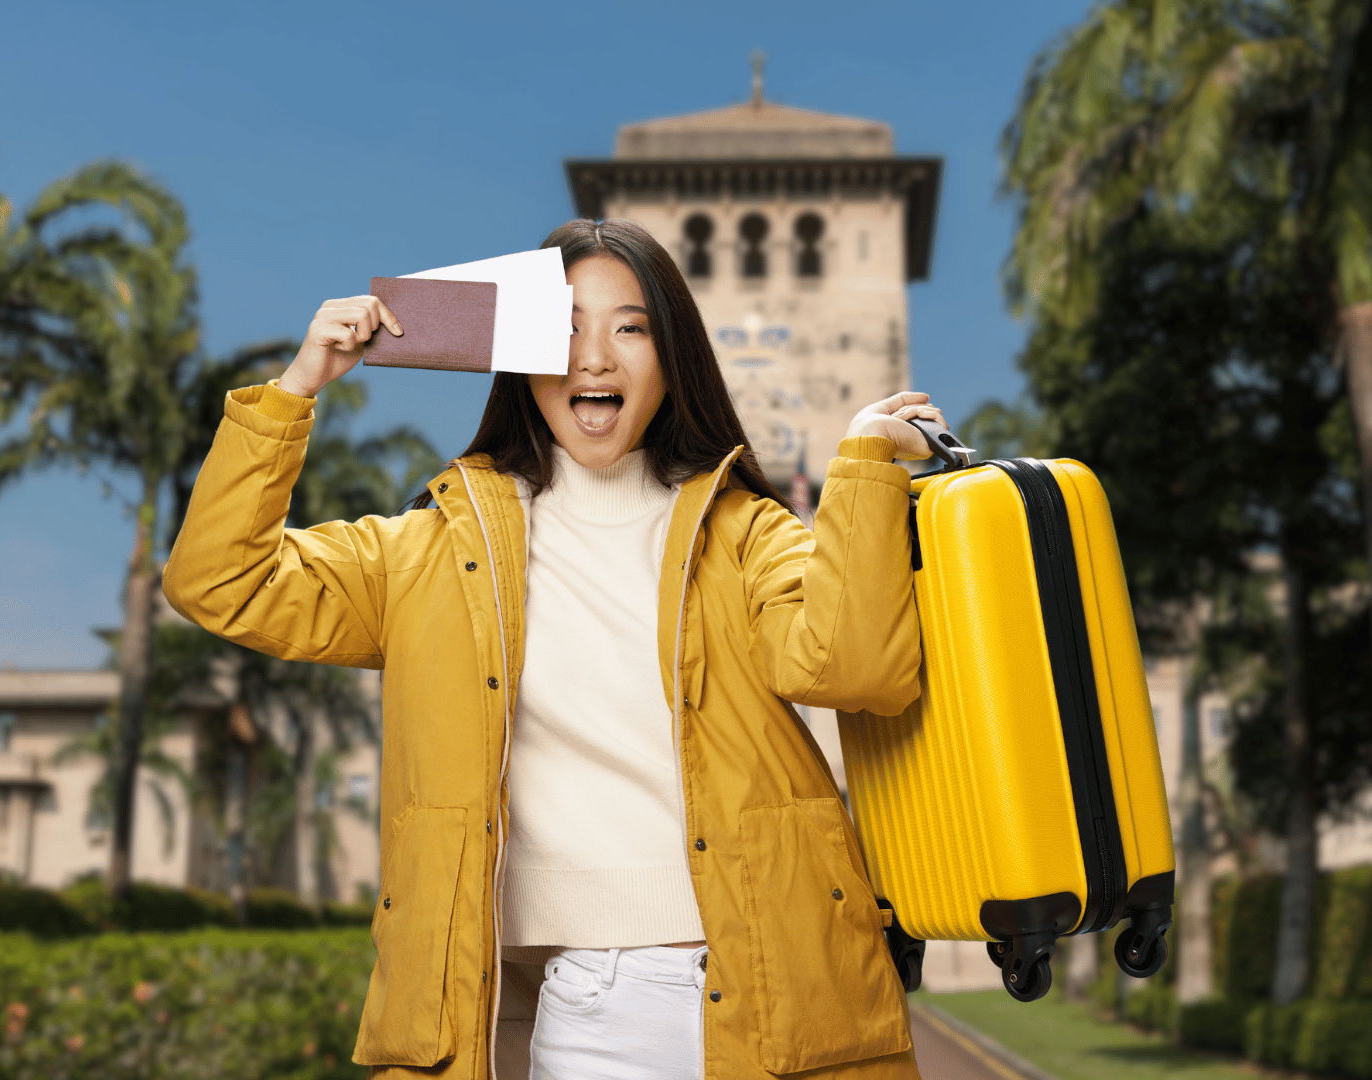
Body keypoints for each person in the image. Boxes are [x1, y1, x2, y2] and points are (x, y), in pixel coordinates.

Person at [162, 219, 944, 1080]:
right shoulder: (428, 553)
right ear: (520, 352)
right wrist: (297, 386)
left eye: (631, 327)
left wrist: (865, 465)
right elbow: (220, 581)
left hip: (777, 985)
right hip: (590, 1009)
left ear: (669, 355)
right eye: (566, 327)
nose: (595, 358)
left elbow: (854, 668)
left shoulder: (747, 532)